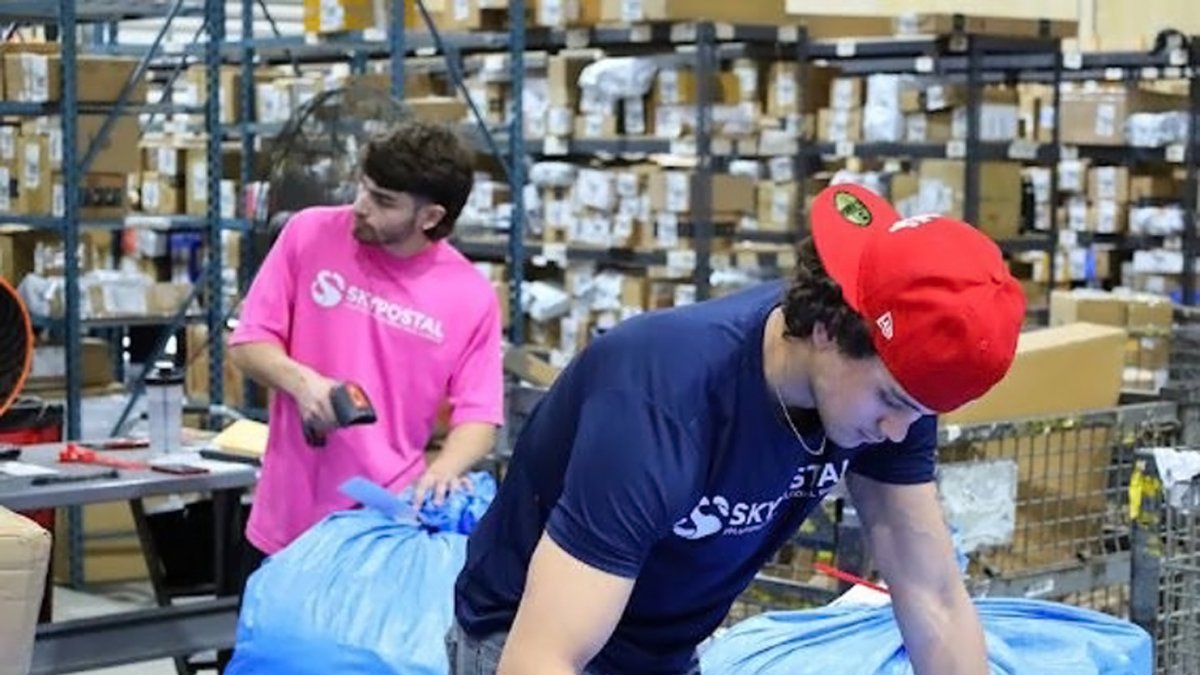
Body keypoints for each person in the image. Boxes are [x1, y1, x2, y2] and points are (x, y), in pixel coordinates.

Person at [449, 183, 1026, 675]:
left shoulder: (888, 398)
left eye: (920, 412)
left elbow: (935, 598)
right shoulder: (664, 402)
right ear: (828, 329)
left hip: (661, 653)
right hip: (525, 639)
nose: (900, 432)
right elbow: (542, 657)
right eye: (893, 401)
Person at [227, 119, 505, 579]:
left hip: (383, 533)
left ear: (430, 217)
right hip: (285, 526)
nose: (360, 207)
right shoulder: (308, 234)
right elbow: (248, 342)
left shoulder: (470, 295)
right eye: (363, 188)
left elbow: (479, 417)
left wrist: (443, 471)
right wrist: (303, 383)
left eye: (383, 201)